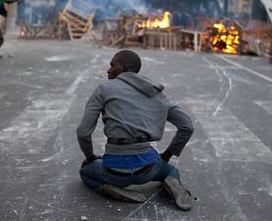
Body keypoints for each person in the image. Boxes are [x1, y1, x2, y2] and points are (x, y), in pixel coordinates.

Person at [77, 50, 194, 210]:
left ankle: (109, 188)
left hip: (113, 171)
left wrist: (90, 157)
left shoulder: (104, 89)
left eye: (112, 65)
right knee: (171, 171)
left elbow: (83, 132)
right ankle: (172, 182)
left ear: (123, 67)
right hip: (148, 170)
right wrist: (166, 155)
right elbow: (187, 126)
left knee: (85, 172)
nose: (108, 70)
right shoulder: (156, 93)